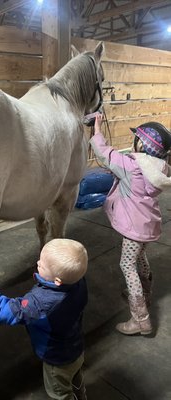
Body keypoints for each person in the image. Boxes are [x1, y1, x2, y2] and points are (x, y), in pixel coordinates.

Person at [0, 238, 88, 400]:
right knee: (75, 379)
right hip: (76, 349)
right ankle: (82, 396)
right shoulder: (78, 282)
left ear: (57, 281)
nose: (37, 262)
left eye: (42, 264)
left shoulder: (41, 302)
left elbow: (7, 312)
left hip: (56, 360)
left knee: (60, 393)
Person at [90, 114, 171, 335]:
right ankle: (145, 295)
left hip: (135, 228)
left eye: (137, 138)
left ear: (142, 144)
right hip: (148, 225)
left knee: (127, 265)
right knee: (141, 258)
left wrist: (97, 127)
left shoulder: (131, 166)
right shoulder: (161, 167)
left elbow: (104, 153)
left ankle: (140, 319)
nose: (134, 140)